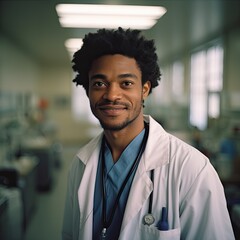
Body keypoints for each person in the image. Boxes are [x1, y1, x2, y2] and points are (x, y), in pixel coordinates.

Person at [62, 28, 235, 240]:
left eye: (126, 83)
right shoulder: (80, 165)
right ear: (88, 90)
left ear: (144, 89)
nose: (112, 95)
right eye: (99, 83)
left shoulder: (193, 170)